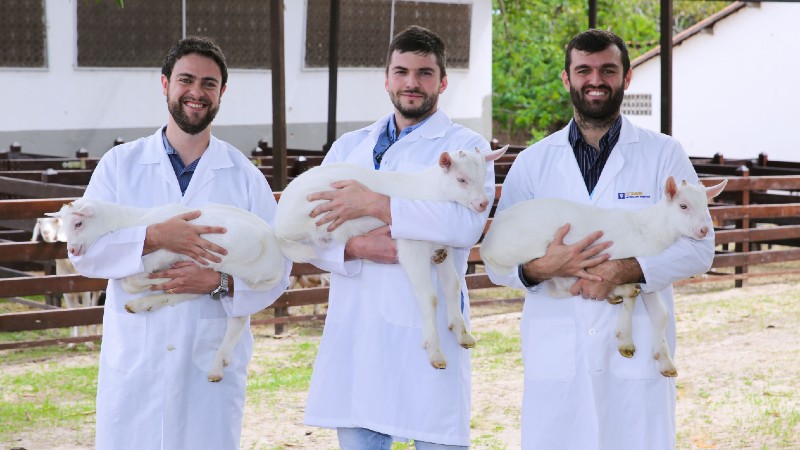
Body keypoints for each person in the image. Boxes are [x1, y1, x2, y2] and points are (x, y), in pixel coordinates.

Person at [485, 29, 715, 449]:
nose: (596, 80)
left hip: (637, 341)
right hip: (558, 343)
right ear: (566, 78)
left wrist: (622, 270)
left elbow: (701, 249)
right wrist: (541, 268)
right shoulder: (533, 163)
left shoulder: (663, 154)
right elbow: (497, 263)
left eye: (608, 70)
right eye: (584, 70)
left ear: (627, 78)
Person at [69, 36, 291, 450]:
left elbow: (277, 271)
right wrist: (154, 237)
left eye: (209, 84)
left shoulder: (244, 176)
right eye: (186, 80)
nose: (197, 92)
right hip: (139, 356)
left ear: (222, 93)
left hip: (207, 359)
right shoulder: (120, 166)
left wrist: (218, 283)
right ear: (165, 83)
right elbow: (84, 254)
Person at [301, 25, 493, 449]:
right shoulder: (349, 147)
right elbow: (312, 234)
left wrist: (376, 205)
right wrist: (354, 247)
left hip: (424, 332)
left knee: (434, 436)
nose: (411, 82)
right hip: (356, 337)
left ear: (443, 81)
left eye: (424, 73)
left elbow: (465, 227)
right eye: (401, 71)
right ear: (386, 79)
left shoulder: (467, 148)